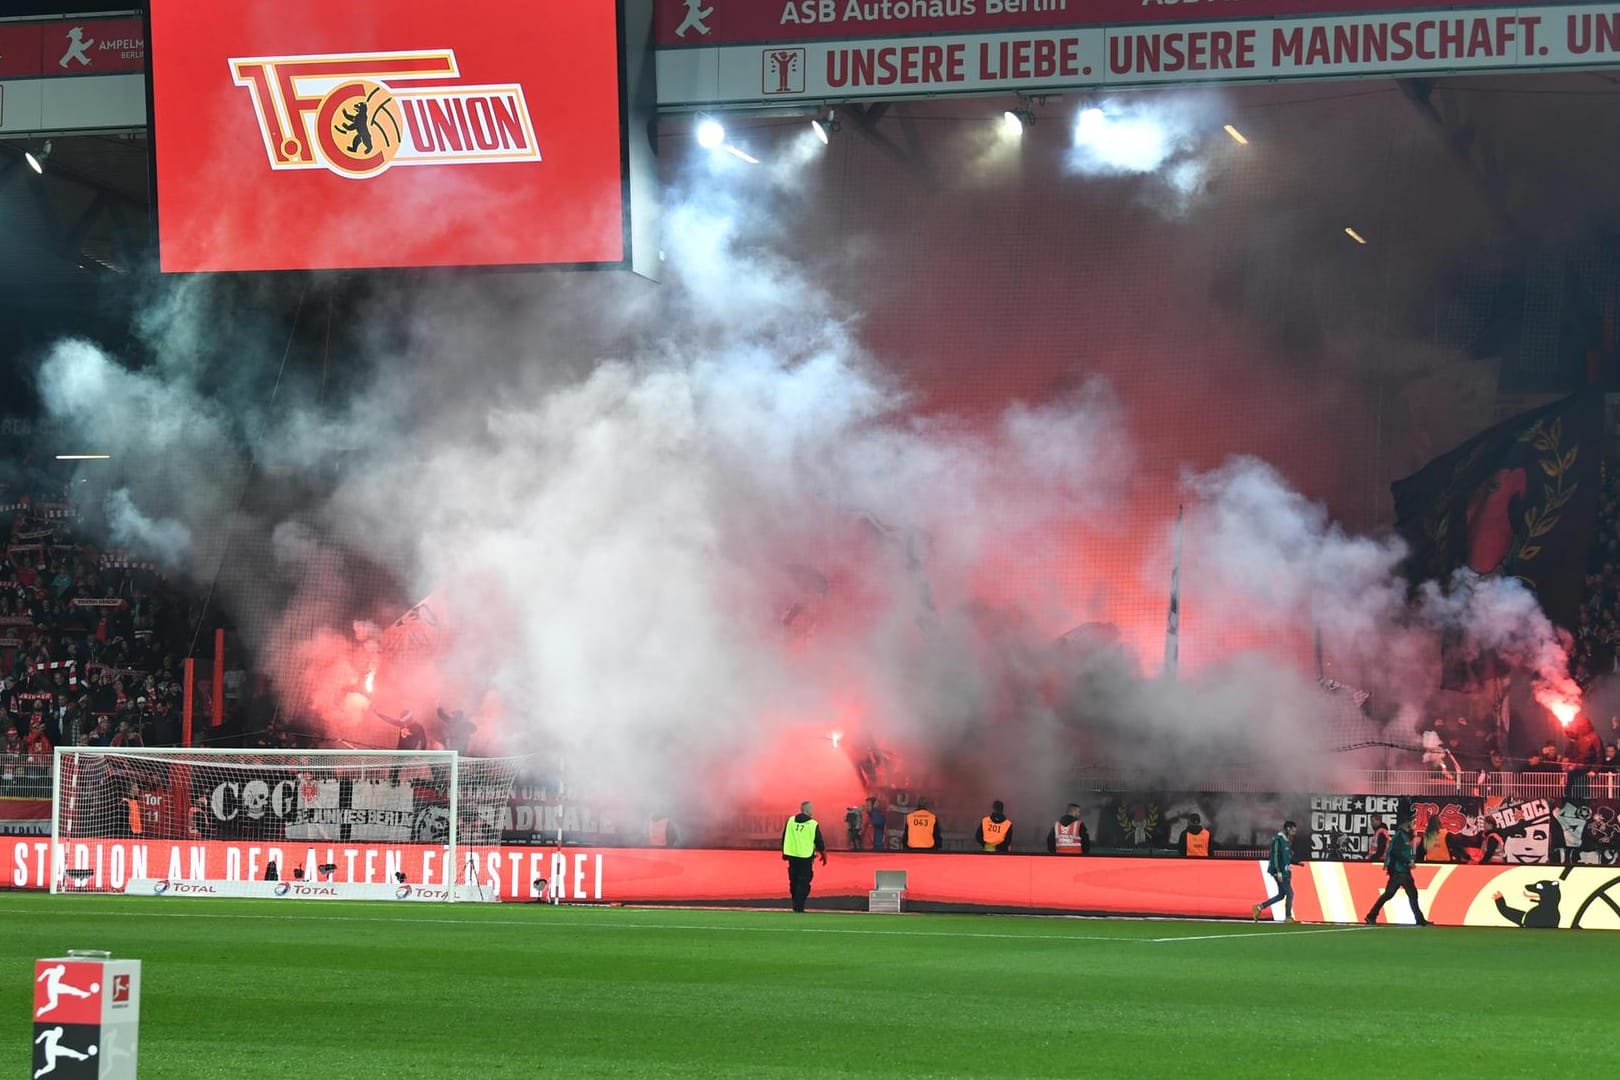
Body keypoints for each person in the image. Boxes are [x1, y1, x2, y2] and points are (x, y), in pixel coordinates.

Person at [1364, 817, 1430, 925]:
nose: (1413, 826)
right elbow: (1395, 852)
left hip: (1400, 871)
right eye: (1412, 824)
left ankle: (1371, 915)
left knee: (1391, 894)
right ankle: (1420, 920)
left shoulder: (1403, 836)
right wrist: (1408, 862)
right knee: (1410, 894)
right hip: (1400, 870)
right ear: (1406, 824)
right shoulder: (1400, 837)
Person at [781, 800, 826, 913]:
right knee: (804, 882)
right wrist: (824, 854)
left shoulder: (790, 821)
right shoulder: (812, 824)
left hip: (792, 855)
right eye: (811, 809)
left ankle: (795, 903)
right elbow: (819, 841)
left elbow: (785, 837)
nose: (812, 811)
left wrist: (784, 852)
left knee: (793, 881)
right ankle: (799, 906)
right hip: (805, 856)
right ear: (807, 810)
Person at [1253, 820, 1301, 922]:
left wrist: (1297, 862)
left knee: (1281, 895)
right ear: (1288, 829)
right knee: (1290, 893)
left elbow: (1287, 857)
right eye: (1293, 831)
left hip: (1286, 871)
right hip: (1279, 872)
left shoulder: (1287, 840)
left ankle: (1259, 907)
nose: (1294, 833)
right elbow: (1274, 856)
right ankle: (1288, 917)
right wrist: (1278, 871)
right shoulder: (1278, 840)